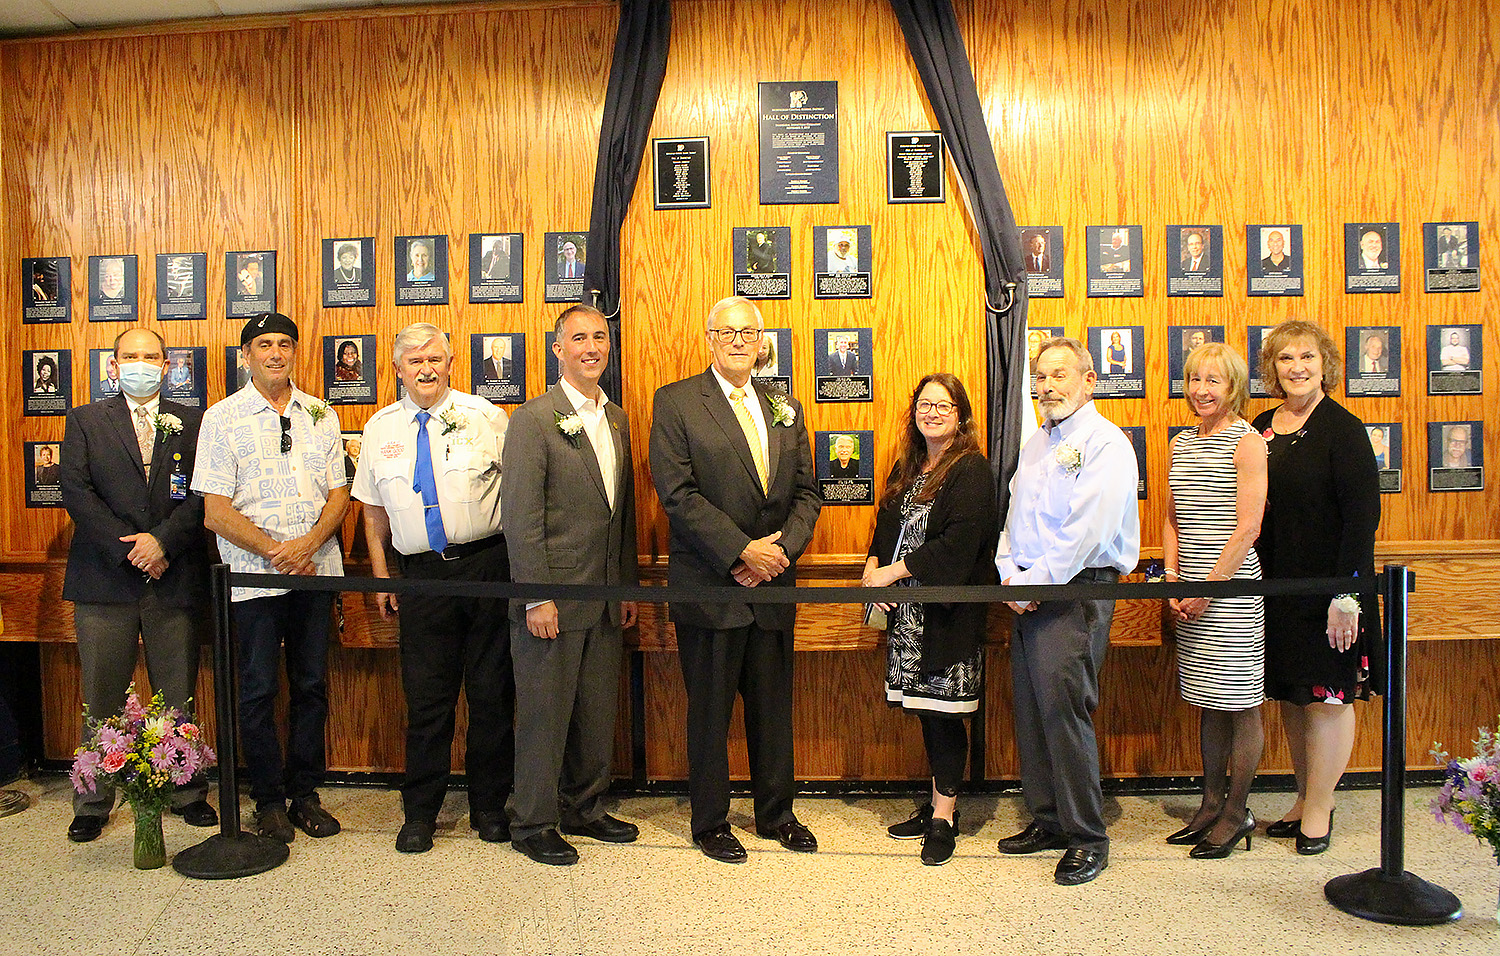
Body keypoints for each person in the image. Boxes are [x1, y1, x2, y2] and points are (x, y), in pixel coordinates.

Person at [649, 295, 822, 863]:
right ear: (709, 338)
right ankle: (711, 821)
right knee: (710, 714)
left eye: (749, 330)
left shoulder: (785, 404)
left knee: (774, 710)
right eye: (727, 331)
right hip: (713, 587)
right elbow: (677, 495)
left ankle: (777, 814)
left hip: (773, 587)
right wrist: (740, 552)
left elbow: (806, 493)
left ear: (762, 339)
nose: (739, 339)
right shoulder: (676, 402)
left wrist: (778, 554)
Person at [352, 323, 511, 854]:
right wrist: (381, 575)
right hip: (420, 574)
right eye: (414, 360)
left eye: (436, 359)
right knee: (427, 699)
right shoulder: (379, 429)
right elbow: (373, 513)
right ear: (396, 369)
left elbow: (517, 499)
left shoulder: (487, 418)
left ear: (450, 364)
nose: (426, 369)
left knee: (491, 694)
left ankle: (490, 806)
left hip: (487, 567)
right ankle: (420, 811)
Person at [193, 312, 349, 843]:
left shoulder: (320, 413)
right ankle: (266, 800)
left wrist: (306, 546)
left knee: (311, 686)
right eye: (264, 345)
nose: (276, 353)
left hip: (314, 572)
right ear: (246, 355)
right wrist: (275, 551)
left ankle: (305, 794)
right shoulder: (221, 418)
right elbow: (214, 511)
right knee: (256, 690)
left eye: (285, 343)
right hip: (252, 579)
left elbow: (339, 495)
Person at [60, 328, 216, 843]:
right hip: (106, 579)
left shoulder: (193, 420)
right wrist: (132, 547)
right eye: (131, 356)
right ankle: (92, 799)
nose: (141, 364)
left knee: (178, 694)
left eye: (152, 356)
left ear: (168, 364)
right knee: (101, 696)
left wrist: (162, 544)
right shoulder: (86, 419)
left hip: (173, 575)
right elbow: (76, 492)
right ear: (112, 365)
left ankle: (187, 790)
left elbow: (202, 494)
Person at [994, 336, 1139, 886]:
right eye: (1041, 377)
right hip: (1027, 592)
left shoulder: (1106, 445)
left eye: (1059, 375)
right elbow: (1014, 518)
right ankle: (1048, 819)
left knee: (1064, 711)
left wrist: (1036, 584)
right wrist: (1010, 575)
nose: (1048, 386)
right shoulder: (1037, 444)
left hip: (1074, 592)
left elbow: (1087, 532)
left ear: (1089, 380)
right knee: (1032, 710)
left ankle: (1086, 836)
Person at [502, 305, 639, 866]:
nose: (591, 347)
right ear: (557, 349)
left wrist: (627, 587)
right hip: (551, 600)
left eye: (599, 338)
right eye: (578, 338)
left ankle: (585, 806)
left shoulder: (620, 419)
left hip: (604, 598)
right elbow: (521, 516)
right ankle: (533, 819)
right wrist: (536, 594)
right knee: (543, 713)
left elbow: (621, 513)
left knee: (594, 711)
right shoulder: (534, 419)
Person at [1252, 319, 1380, 855]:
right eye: (1285, 359)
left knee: (1328, 698)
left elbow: (1362, 517)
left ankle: (1322, 806)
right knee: (1293, 697)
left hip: (1334, 594)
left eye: (1307, 357)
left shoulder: (1343, 430)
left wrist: (1347, 594)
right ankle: (1305, 797)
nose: (1297, 368)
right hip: (1279, 592)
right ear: (1273, 369)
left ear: (1325, 364)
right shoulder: (1260, 425)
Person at [862, 373, 997, 866]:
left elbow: (957, 547)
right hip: (907, 619)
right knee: (924, 711)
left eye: (943, 405)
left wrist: (894, 570)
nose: (933, 412)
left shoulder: (972, 470)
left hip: (947, 618)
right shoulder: (910, 466)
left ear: (960, 416)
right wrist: (873, 564)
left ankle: (944, 816)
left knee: (946, 716)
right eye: (924, 404)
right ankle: (937, 803)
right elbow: (886, 526)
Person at [1161, 344, 1267, 858]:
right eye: (1194, 379)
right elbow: (1170, 516)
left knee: (1241, 704)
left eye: (1214, 381)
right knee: (1207, 703)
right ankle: (1208, 803)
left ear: (1233, 387)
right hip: (1190, 595)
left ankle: (1237, 811)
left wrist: (1207, 589)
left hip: (1232, 593)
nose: (1202, 390)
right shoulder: (1181, 442)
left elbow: (1249, 526)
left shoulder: (1247, 442)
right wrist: (1176, 580)